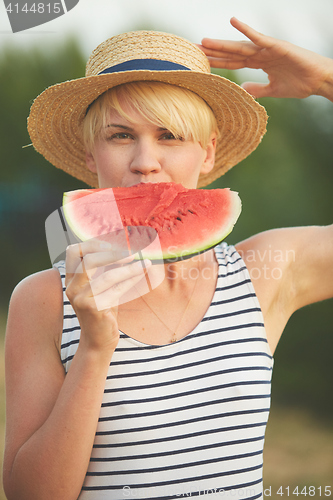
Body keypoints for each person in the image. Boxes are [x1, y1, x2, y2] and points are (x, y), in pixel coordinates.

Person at [3, 17, 333, 500]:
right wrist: (94, 351)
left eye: (171, 135)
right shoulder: (44, 300)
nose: (145, 161)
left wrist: (327, 81)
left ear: (209, 152)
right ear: (90, 154)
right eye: (119, 136)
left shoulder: (265, 274)